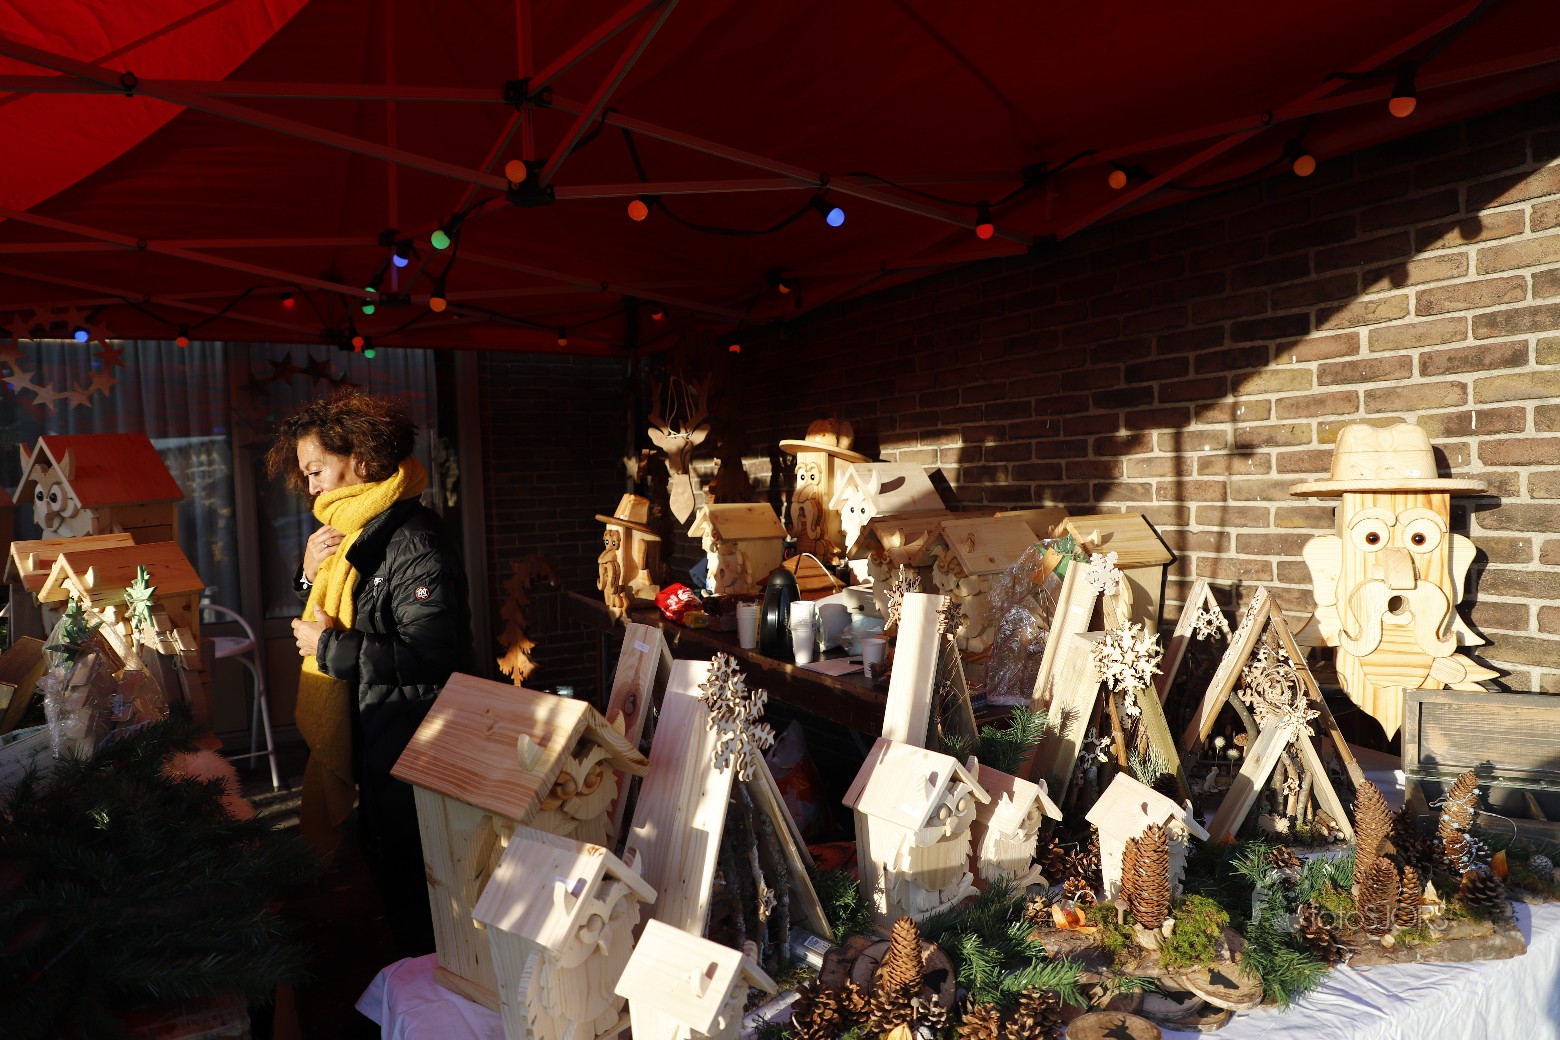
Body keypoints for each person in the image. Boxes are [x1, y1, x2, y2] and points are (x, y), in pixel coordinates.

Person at [266, 387, 472, 958]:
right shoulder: (356, 530)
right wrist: (308, 576)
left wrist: (328, 648)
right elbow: (349, 607)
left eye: (315, 471)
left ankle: (429, 987)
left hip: (417, 740)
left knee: (421, 889)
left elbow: (432, 654)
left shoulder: (414, 537)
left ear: (360, 458)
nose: (310, 487)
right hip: (381, 732)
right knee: (390, 867)